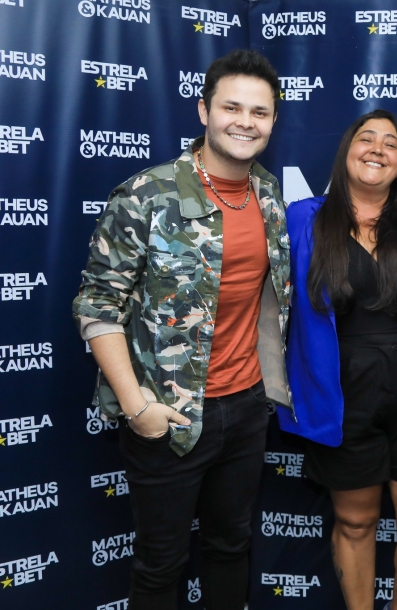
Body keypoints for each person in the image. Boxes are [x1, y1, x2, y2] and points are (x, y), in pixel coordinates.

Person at [72, 49, 291, 610]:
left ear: (272, 121)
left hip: (244, 407)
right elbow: (97, 304)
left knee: (230, 547)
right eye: (232, 107)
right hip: (168, 413)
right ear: (204, 111)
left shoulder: (269, 196)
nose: (245, 121)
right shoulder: (146, 195)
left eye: (260, 112)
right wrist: (136, 405)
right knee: (160, 564)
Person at [278, 109, 397, 610]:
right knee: (356, 522)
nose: (378, 149)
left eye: (391, 143)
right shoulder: (304, 218)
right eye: (367, 139)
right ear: (346, 151)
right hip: (343, 402)